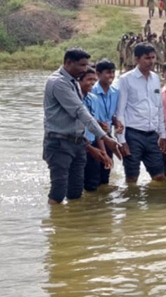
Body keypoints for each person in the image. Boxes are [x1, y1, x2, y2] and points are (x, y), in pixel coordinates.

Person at [43, 47, 121, 205]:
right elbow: (79, 111)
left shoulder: (73, 83)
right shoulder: (58, 82)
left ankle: (73, 225)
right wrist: (105, 138)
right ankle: (55, 225)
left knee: (76, 190)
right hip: (59, 142)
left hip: (78, 142)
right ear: (68, 62)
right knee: (58, 190)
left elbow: (83, 116)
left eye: (86, 65)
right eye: (81, 65)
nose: (85, 69)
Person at [115, 43, 166, 183]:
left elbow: (159, 107)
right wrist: (122, 140)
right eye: (147, 58)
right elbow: (120, 111)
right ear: (137, 59)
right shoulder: (126, 79)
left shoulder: (156, 78)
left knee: (159, 178)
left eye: (153, 57)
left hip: (152, 136)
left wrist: (163, 134)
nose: (151, 61)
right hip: (133, 136)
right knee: (132, 179)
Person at [90, 59, 123, 187]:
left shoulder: (115, 92)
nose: (111, 76)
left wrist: (117, 122)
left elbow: (112, 115)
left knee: (105, 175)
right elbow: (88, 116)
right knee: (93, 175)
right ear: (98, 74)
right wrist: (99, 123)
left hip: (107, 137)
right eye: (108, 73)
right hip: (93, 137)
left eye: (113, 72)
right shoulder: (91, 91)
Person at [80, 67, 113, 191]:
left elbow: (97, 129)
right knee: (78, 183)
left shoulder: (93, 99)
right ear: (79, 80)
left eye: (94, 79)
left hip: (93, 143)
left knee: (94, 184)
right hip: (79, 144)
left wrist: (103, 152)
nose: (92, 83)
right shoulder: (74, 100)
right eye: (89, 79)